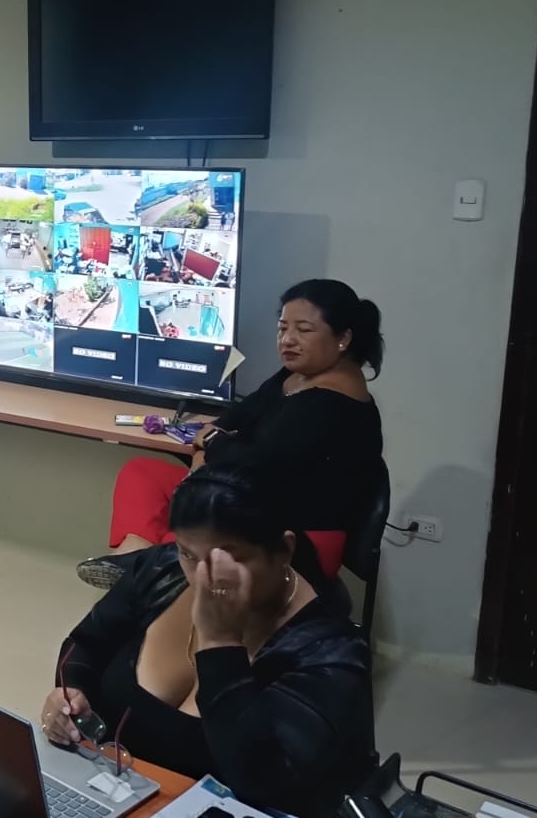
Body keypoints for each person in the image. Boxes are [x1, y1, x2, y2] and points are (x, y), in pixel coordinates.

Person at [41, 464, 372, 817]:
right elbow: (86, 645)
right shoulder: (161, 570)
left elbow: (268, 785)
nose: (203, 578)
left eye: (227, 559)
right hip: (113, 795)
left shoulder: (331, 654)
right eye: (187, 553)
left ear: (284, 550)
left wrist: (219, 643)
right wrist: (71, 695)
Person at [77, 278, 384, 589]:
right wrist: (210, 445)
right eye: (282, 328)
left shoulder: (334, 404)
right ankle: (133, 556)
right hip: (250, 501)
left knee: (193, 522)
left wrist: (208, 450)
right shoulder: (298, 375)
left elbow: (251, 464)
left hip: (296, 538)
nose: (288, 340)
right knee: (143, 472)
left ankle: (145, 572)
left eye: (303, 330)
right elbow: (240, 414)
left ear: (343, 338)